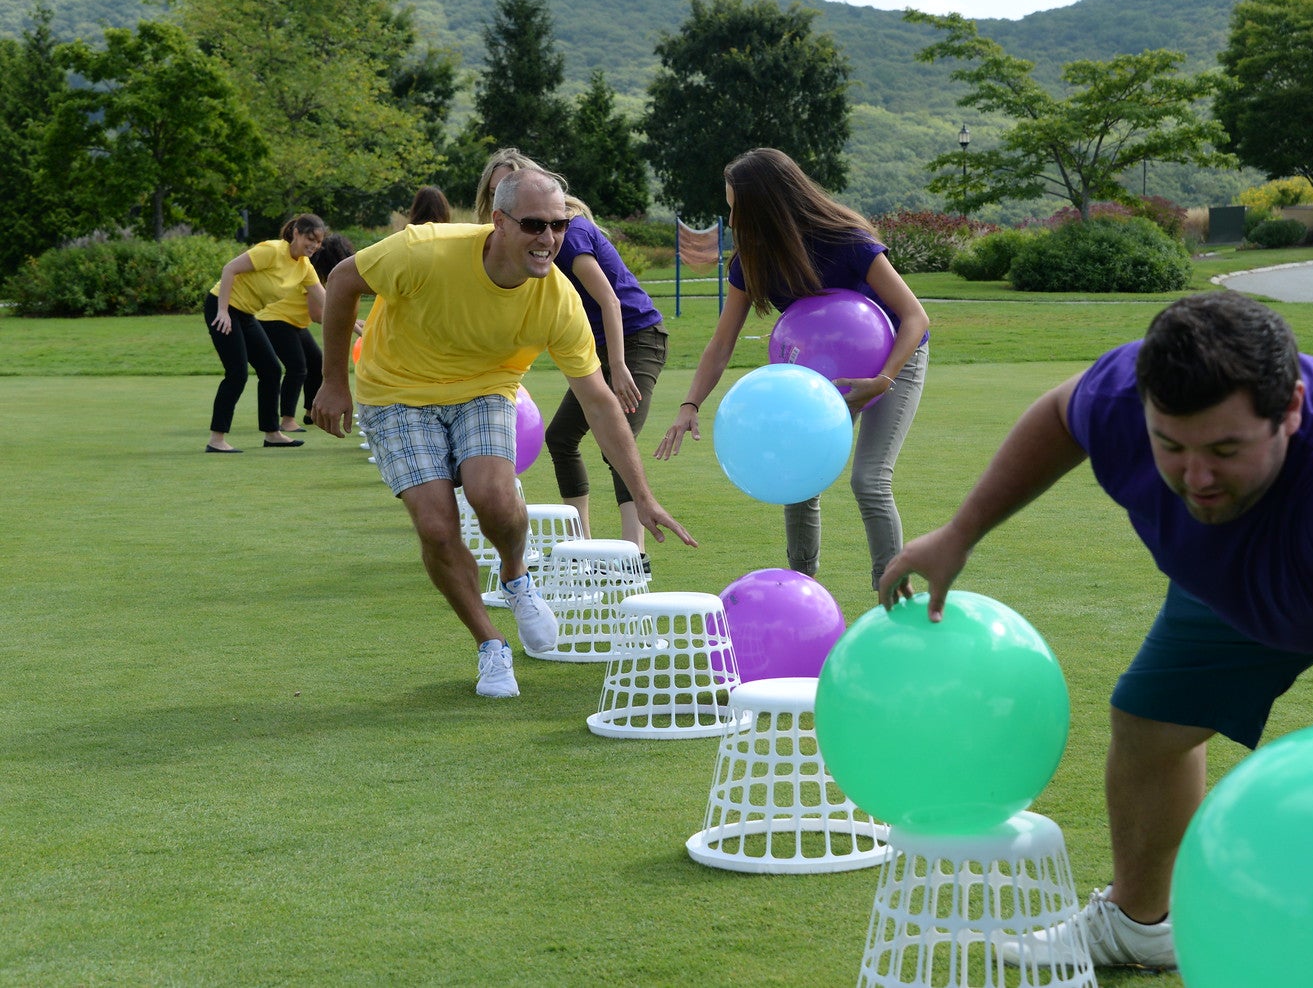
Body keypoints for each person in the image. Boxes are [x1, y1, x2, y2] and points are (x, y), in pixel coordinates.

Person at [877, 290, 1313, 973]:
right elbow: (1062, 413)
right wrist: (961, 533)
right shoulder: (1124, 393)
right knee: (1152, 722)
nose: (1196, 476)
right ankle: (1139, 927)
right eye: (1170, 446)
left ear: (1289, 409)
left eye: (1226, 448)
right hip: (1249, 556)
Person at [312, 167, 696, 699]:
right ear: (499, 221)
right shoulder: (424, 249)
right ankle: (491, 644)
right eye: (535, 225)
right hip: (396, 392)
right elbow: (342, 281)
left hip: (486, 388)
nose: (549, 239)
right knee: (437, 527)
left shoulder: (558, 299)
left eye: (559, 225)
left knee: (492, 495)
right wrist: (333, 381)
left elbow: (599, 402)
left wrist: (645, 497)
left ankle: (516, 578)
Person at [655, 147, 931, 589]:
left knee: (869, 479)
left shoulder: (847, 241)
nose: (731, 222)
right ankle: (801, 588)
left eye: (736, 210)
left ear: (767, 206)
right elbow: (721, 342)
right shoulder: (752, 261)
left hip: (896, 356)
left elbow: (915, 316)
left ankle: (893, 592)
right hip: (821, 371)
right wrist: (690, 403)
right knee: (799, 476)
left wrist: (884, 379)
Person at [475, 149, 669, 561]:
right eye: (494, 192)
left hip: (636, 339)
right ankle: (582, 545)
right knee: (561, 438)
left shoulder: (569, 235)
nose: (502, 198)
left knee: (617, 442)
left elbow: (610, 302)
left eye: (508, 186)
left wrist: (617, 367)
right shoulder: (513, 248)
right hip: (597, 346)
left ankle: (633, 556)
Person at [205, 213, 328, 452]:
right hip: (222, 307)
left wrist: (356, 326)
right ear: (296, 234)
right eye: (309, 239)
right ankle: (216, 439)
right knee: (237, 373)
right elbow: (229, 269)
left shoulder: (304, 268)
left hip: (247, 314)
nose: (314, 245)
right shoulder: (272, 250)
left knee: (271, 369)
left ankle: (272, 433)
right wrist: (222, 311)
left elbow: (327, 303)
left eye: (318, 241)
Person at [257, 232, 352, 434]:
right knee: (297, 368)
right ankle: (287, 420)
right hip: (275, 319)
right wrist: (349, 323)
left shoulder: (314, 272)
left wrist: (353, 323)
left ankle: (311, 412)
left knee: (316, 362)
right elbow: (317, 314)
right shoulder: (312, 275)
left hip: (294, 323)